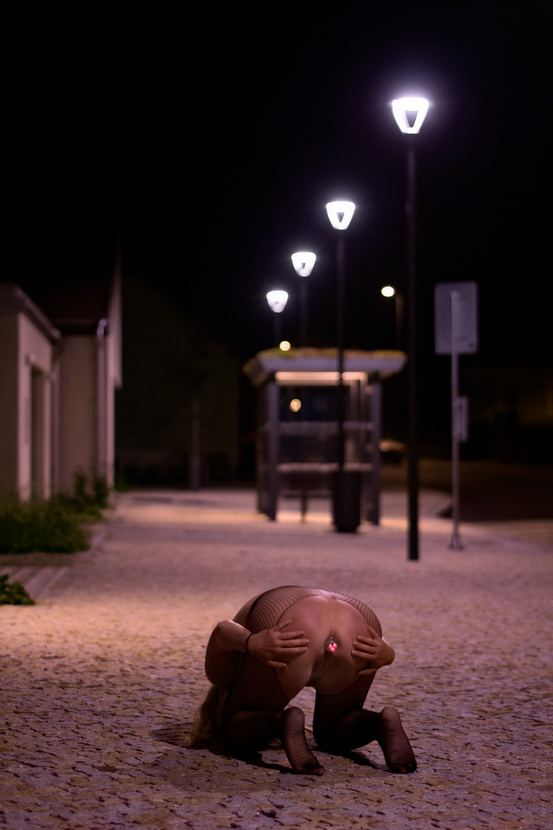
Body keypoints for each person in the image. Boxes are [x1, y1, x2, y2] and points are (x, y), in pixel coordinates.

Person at [189, 585, 416, 776]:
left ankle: (281, 721)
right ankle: (380, 723)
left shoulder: (223, 677)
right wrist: (389, 653)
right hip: (352, 616)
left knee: (232, 731)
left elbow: (222, 629)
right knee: (332, 732)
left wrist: (251, 643)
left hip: (290, 617)